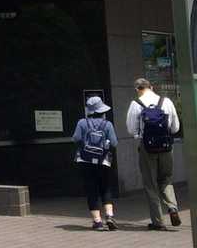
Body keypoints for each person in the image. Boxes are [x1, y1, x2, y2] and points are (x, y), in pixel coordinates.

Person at [126, 77, 182, 231]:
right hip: (166, 147)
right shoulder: (166, 102)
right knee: (166, 179)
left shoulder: (136, 104)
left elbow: (131, 130)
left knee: (150, 184)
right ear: (151, 87)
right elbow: (175, 128)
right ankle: (172, 207)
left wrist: (141, 134)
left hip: (147, 148)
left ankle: (158, 221)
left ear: (137, 89)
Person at [73, 95, 118, 230]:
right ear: (102, 110)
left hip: (85, 160)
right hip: (103, 161)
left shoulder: (82, 123)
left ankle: (97, 222)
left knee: (91, 189)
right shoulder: (107, 124)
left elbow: (76, 138)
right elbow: (114, 143)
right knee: (105, 188)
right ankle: (109, 216)